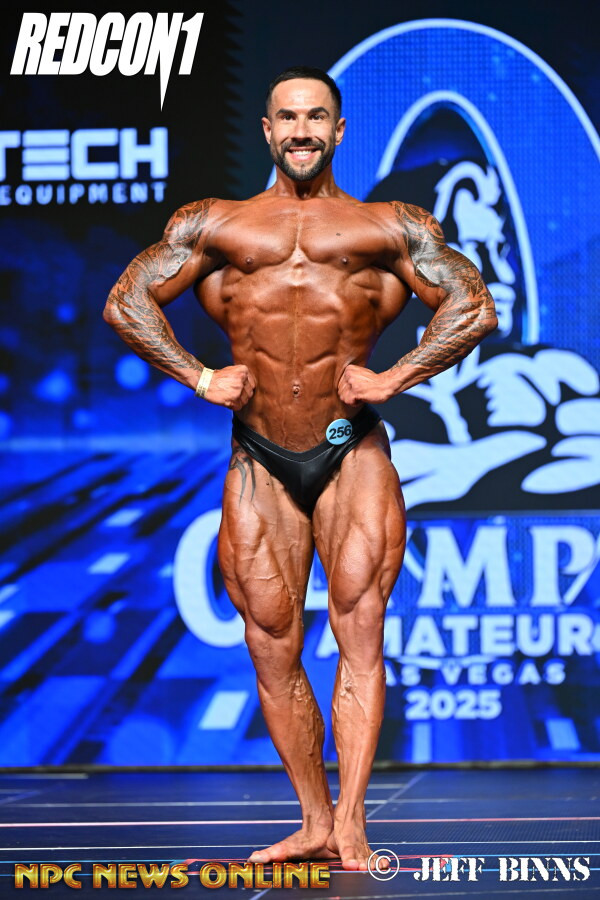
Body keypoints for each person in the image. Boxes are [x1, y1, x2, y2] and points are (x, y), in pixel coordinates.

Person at [103, 65, 497, 870]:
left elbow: (473, 304)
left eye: (316, 116)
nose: (302, 130)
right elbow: (127, 300)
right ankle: (314, 819)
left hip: (351, 449)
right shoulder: (216, 224)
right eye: (288, 117)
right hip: (259, 454)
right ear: (268, 130)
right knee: (271, 643)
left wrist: (395, 378)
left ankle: (351, 823)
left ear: (339, 130)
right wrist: (199, 377)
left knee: (360, 632)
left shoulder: (387, 226)